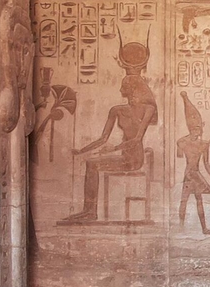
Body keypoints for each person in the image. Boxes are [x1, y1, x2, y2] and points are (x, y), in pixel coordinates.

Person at [62, 41, 157, 223]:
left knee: (93, 165)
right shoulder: (116, 110)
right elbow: (102, 138)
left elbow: (137, 140)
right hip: (122, 155)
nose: (121, 89)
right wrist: (81, 151)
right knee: (91, 162)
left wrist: (113, 149)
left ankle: (90, 211)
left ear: (132, 89)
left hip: (133, 159)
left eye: (124, 86)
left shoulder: (148, 109)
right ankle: (88, 211)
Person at [175, 92, 210, 234]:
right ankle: (181, 227)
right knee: (184, 201)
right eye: (195, 128)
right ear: (190, 128)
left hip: (195, 175)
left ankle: (204, 228)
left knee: (199, 201)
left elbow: (206, 164)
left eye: (200, 128)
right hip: (190, 175)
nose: (198, 131)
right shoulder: (184, 142)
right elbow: (180, 156)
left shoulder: (201, 144)